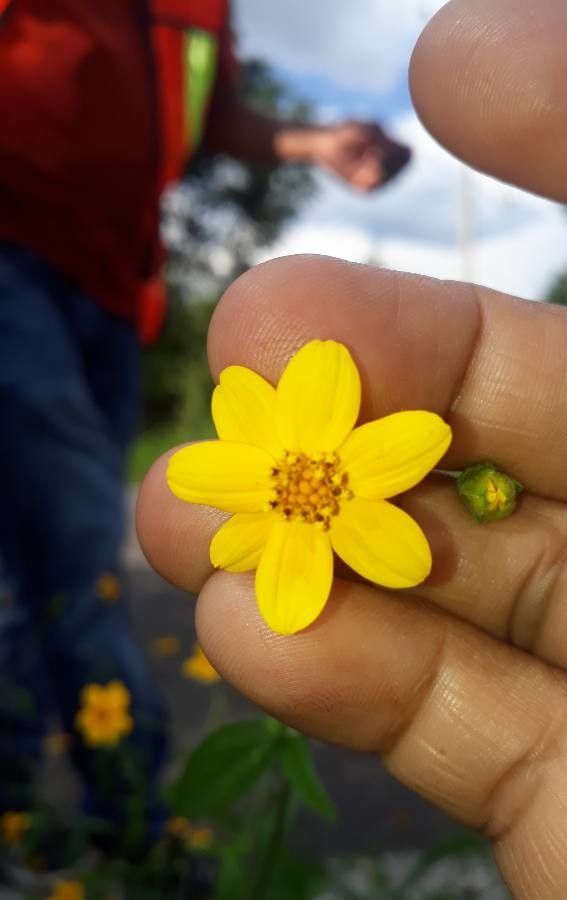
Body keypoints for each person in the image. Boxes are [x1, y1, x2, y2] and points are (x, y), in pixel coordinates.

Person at [137, 0, 567, 897]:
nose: (304, 487)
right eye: (301, 484)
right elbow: (239, 430)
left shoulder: (379, 477)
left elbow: (401, 445)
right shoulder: (289, 498)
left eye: (306, 484)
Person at [0, 0, 410, 853]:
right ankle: (127, 826)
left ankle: (66, 814)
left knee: (61, 550)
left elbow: (210, 117)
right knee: (68, 548)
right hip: (11, 256)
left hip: (110, 289)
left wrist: (310, 142)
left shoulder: (200, 10)